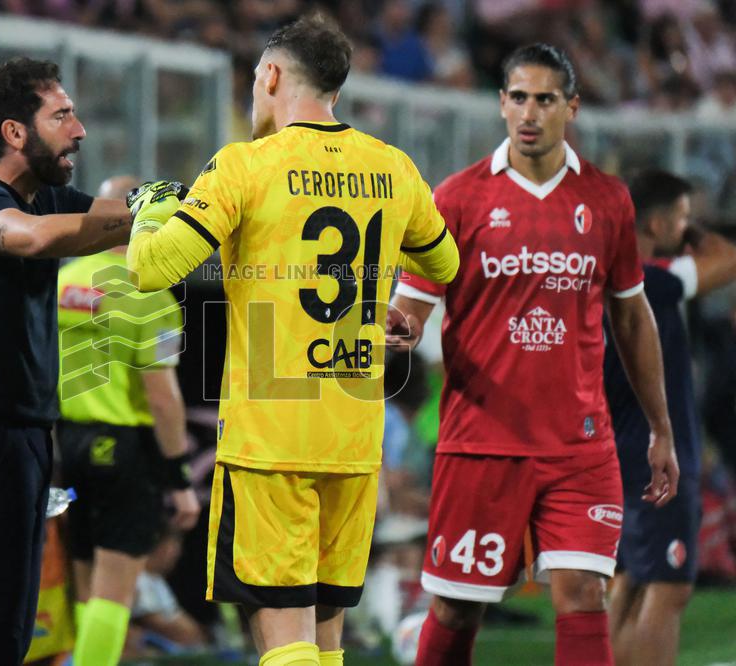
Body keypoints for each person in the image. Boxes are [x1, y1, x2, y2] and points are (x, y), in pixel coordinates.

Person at [126, 14, 460, 665]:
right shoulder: (391, 166)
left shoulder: (246, 165)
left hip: (272, 435)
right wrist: (394, 307)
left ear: (273, 76)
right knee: (324, 636)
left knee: (282, 634)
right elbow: (444, 263)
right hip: (353, 433)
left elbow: (151, 268)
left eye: (256, 79)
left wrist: (150, 207)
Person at [389, 44, 680, 666]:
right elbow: (412, 309)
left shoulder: (606, 200)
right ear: (501, 103)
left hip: (580, 445)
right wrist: (396, 330)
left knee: (585, 593)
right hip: (481, 442)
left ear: (570, 108)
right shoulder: (456, 199)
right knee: (457, 607)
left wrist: (661, 427)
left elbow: (632, 316)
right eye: (518, 97)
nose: (529, 112)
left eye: (545, 99)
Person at [0, 57, 132, 666]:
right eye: (62, 116)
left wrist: (187, 205)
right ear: (14, 132)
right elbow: (33, 238)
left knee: (10, 634)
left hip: (22, 434)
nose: (79, 130)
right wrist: (151, 215)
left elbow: (113, 220)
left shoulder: (45, 197)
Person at [57, 175, 199, 666]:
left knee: (84, 583)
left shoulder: (65, 281)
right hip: (123, 452)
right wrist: (178, 476)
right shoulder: (150, 294)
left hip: (67, 446)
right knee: (114, 591)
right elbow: (162, 397)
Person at [604, 170, 736, 666]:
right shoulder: (653, 281)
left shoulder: (598, 276)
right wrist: (693, 231)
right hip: (658, 458)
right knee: (667, 588)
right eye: (680, 216)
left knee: (628, 585)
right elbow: (729, 258)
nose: (687, 226)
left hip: (615, 452)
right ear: (657, 224)